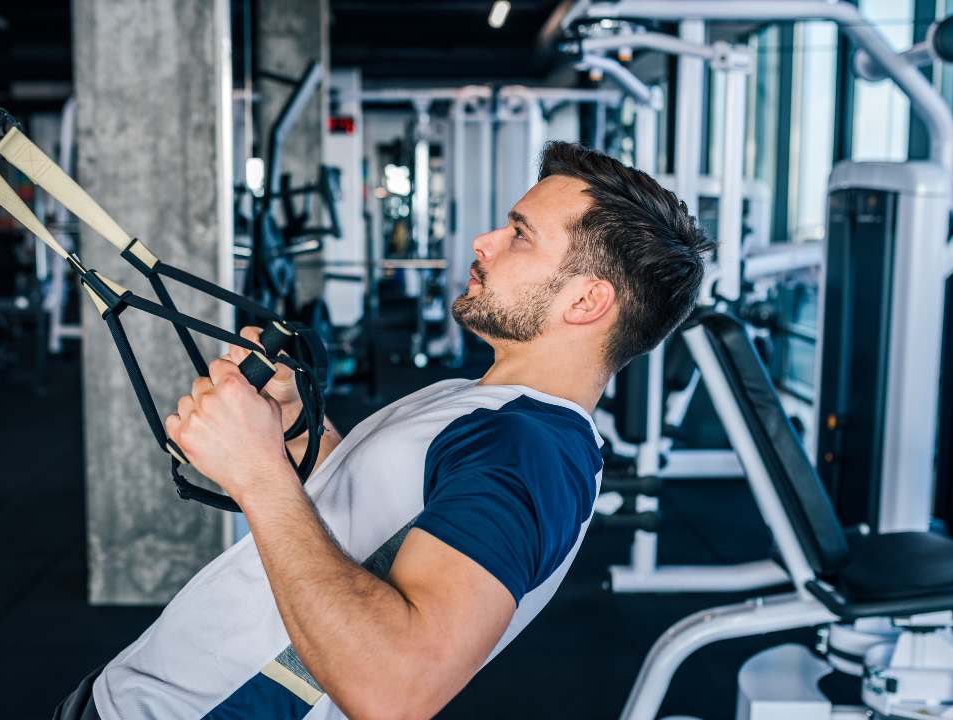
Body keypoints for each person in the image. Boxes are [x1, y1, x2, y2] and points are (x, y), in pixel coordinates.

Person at [55, 141, 712, 720]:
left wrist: (256, 474)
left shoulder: (529, 451)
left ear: (587, 301)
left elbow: (398, 689)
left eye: (519, 235)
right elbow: (372, 516)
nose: (484, 241)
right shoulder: (484, 404)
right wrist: (295, 434)